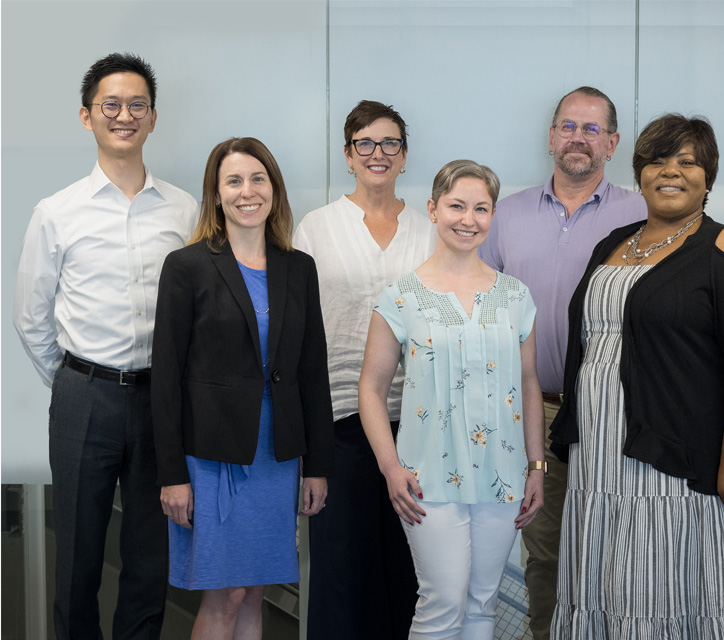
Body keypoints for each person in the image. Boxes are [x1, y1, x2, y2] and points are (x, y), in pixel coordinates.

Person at [550, 114, 724, 638]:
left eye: (687, 162)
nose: (670, 172)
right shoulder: (614, 241)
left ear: (708, 177)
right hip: (599, 460)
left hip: (673, 459)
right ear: (639, 172)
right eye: (657, 160)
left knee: (668, 587)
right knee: (604, 583)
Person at [12, 52, 198, 639]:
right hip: (82, 397)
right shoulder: (56, 212)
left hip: (159, 402)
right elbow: (30, 316)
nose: (124, 115)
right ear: (87, 116)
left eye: (136, 105)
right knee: (77, 557)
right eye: (110, 105)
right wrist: (74, 379)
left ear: (153, 117)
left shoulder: (184, 209)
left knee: (150, 558)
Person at [477, 86, 646, 639]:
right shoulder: (505, 216)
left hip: (616, 413)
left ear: (613, 143)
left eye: (592, 129)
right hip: (534, 414)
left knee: (615, 553)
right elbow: (475, 307)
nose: (579, 138)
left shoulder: (643, 214)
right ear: (552, 137)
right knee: (544, 554)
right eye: (569, 126)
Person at [152, 137, 334, 638]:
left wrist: (317, 464)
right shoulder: (186, 266)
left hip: (276, 459)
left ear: (273, 188)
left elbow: (311, 372)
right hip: (211, 460)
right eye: (233, 180)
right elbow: (165, 377)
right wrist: (172, 474)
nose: (246, 191)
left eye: (258, 178)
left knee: (256, 591)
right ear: (215, 193)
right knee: (226, 593)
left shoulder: (299, 268)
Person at [359, 159, 545, 639]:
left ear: (493, 214)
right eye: (457, 205)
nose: (469, 219)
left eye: (481, 208)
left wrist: (536, 467)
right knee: (441, 600)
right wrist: (390, 467)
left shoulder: (516, 297)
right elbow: (371, 389)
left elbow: (528, 384)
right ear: (433, 209)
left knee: (482, 603)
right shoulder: (401, 297)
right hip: (426, 476)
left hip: (502, 475)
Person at [294, 100, 432, 639]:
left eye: (390, 143)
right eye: (365, 144)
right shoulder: (317, 228)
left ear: (404, 157)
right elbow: (299, 332)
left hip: (417, 425)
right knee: (340, 571)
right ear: (348, 155)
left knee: (409, 570)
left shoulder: (429, 231)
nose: (379, 154)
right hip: (338, 424)